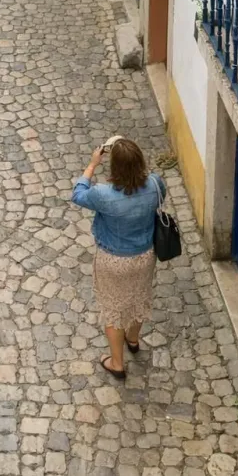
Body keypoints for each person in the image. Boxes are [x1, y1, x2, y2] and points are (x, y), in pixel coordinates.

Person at [70, 137, 166, 381]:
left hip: (113, 260)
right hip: (144, 256)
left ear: (114, 167)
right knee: (138, 299)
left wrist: (92, 164)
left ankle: (117, 363)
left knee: (114, 310)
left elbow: (78, 194)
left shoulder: (102, 195)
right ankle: (132, 340)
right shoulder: (155, 184)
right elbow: (159, 197)